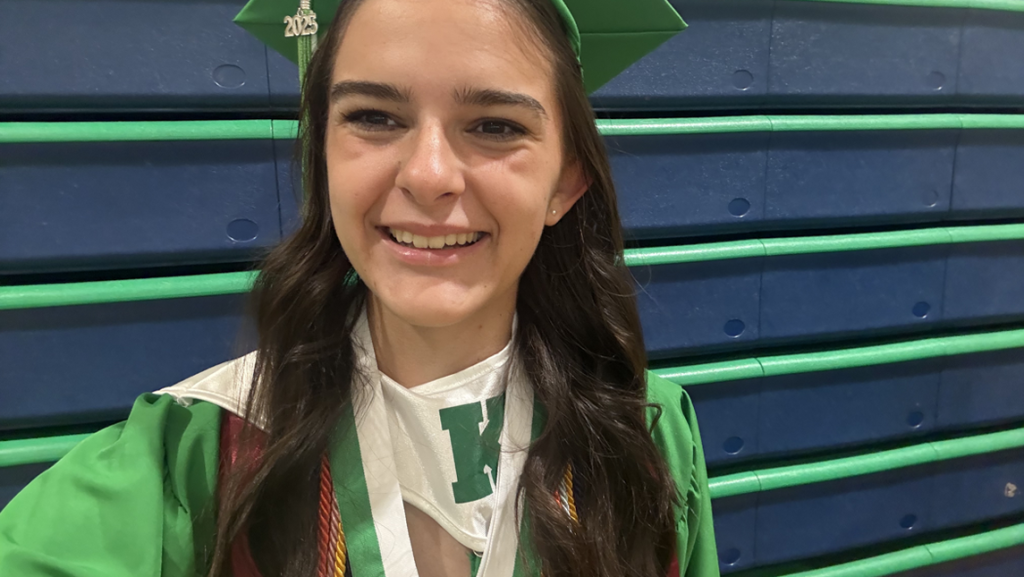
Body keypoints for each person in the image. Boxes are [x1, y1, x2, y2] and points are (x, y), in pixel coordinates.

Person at [0, 1, 719, 576]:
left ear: (565, 181)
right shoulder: (198, 455)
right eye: (374, 117)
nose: (428, 175)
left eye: (495, 126)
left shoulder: (647, 437)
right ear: (323, 157)